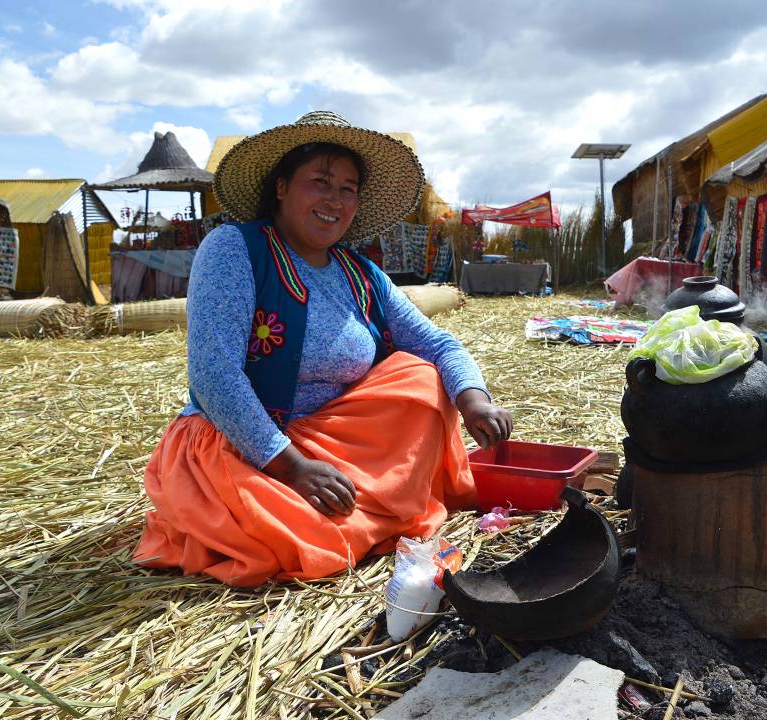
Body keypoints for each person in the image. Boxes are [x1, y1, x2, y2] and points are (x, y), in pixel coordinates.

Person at [133, 111, 512, 586]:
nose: (335, 199)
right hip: (244, 444)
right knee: (285, 538)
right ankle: (355, 508)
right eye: (320, 181)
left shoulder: (361, 274)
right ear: (281, 187)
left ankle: (366, 502)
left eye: (348, 189)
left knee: (420, 376)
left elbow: (436, 344)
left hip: (337, 442)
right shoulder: (235, 249)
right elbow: (213, 374)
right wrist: (292, 467)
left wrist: (474, 399)